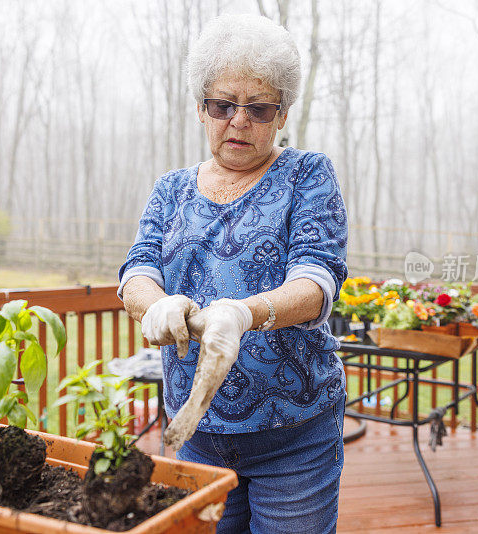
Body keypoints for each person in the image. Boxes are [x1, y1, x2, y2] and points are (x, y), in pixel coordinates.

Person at [118, 13, 348, 534]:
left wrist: (245, 313)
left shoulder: (307, 176)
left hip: (294, 434)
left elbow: (317, 281)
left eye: (259, 108)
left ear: (282, 114)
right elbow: (138, 269)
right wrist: (155, 303)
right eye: (223, 105)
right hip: (193, 428)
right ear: (202, 109)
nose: (239, 121)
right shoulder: (170, 189)